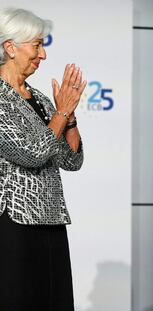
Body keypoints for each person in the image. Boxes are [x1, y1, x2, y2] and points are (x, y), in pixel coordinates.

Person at [0, 8, 86, 311]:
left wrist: (70, 118)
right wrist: (61, 113)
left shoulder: (40, 98)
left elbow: (71, 160)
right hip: (14, 223)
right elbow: (30, 153)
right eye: (36, 45)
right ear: (10, 47)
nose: (43, 54)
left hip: (51, 217)